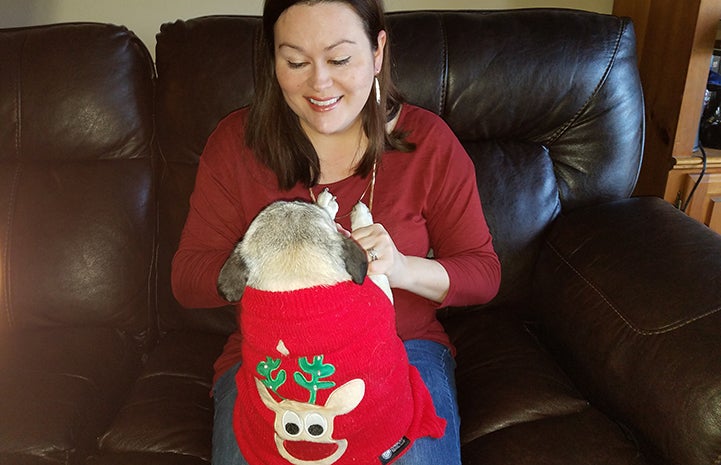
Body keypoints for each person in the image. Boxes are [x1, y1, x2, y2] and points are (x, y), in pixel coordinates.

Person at [171, 0, 502, 463]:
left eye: (340, 59)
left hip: (404, 350)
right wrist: (269, 267)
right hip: (274, 360)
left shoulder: (429, 143)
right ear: (272, 61)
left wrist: (402, 268)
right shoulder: (235, 143)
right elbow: (187, 278)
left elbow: (484, 274)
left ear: (377, 51)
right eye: (296, 62)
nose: (319, 83)